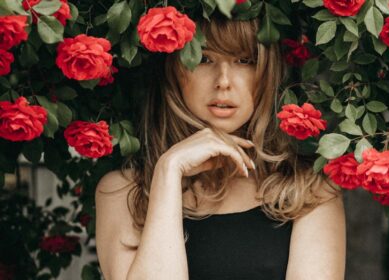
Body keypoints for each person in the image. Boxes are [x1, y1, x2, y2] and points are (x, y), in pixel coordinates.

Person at [95, 14, 346, 280]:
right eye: (204, 59)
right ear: (173, 70)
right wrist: (169, 171)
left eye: (244, 60)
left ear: (267, 72)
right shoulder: (122, 192)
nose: (223, 81)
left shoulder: (309, 191)